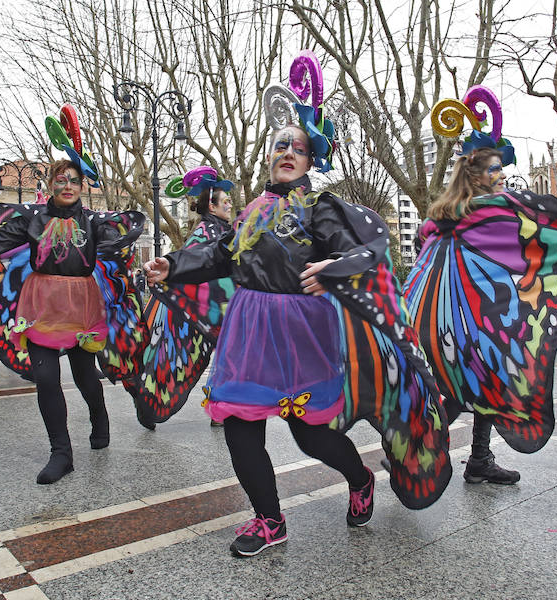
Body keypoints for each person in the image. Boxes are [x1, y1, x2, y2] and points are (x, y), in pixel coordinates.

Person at [144, 53, 450, 557]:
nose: (287, 150)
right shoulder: (250, 212)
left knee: (311, 436)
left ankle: (359, 478)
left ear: (311, 161)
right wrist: (173, 266)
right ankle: (269, 520)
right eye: (280, 144)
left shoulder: (319, 207)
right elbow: (222, 254)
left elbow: (366, 253)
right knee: (241, 427)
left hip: (302, 330)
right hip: (248, 328)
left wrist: (333, 270)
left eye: (298, 147)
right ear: (271, 157)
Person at [404, 86, 557, 487]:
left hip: (454, 320)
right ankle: (422, 452)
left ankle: (472, 457)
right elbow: (543, 233)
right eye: (494, 168)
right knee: (472, 386)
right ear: (475, 173)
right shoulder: (490, 210)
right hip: (473, 321)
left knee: (477, 385)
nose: (501, 175)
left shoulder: (442, 216)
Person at [0, 141, 145, 485]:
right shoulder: (32, 218)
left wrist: (115, 241)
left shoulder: (92, 221)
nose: (67, 187)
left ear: (82, 186)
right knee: (47, 379)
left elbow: (116, 237)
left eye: (74, 181)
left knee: (85, 376)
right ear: (51, 185)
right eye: (61, 181)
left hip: (81, 305)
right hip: (41, 305)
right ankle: (61, 453)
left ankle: (100, 417)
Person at [125, 166, 235, 429]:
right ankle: (148, 402)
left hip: (217, 310)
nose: (230, 205)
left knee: (225, 357)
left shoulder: (219, 230)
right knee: (167, 362)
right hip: (197, 311)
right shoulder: (205, 233)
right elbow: (196, 271)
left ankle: (220, 407)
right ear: (212, 205)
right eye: (226, 202)